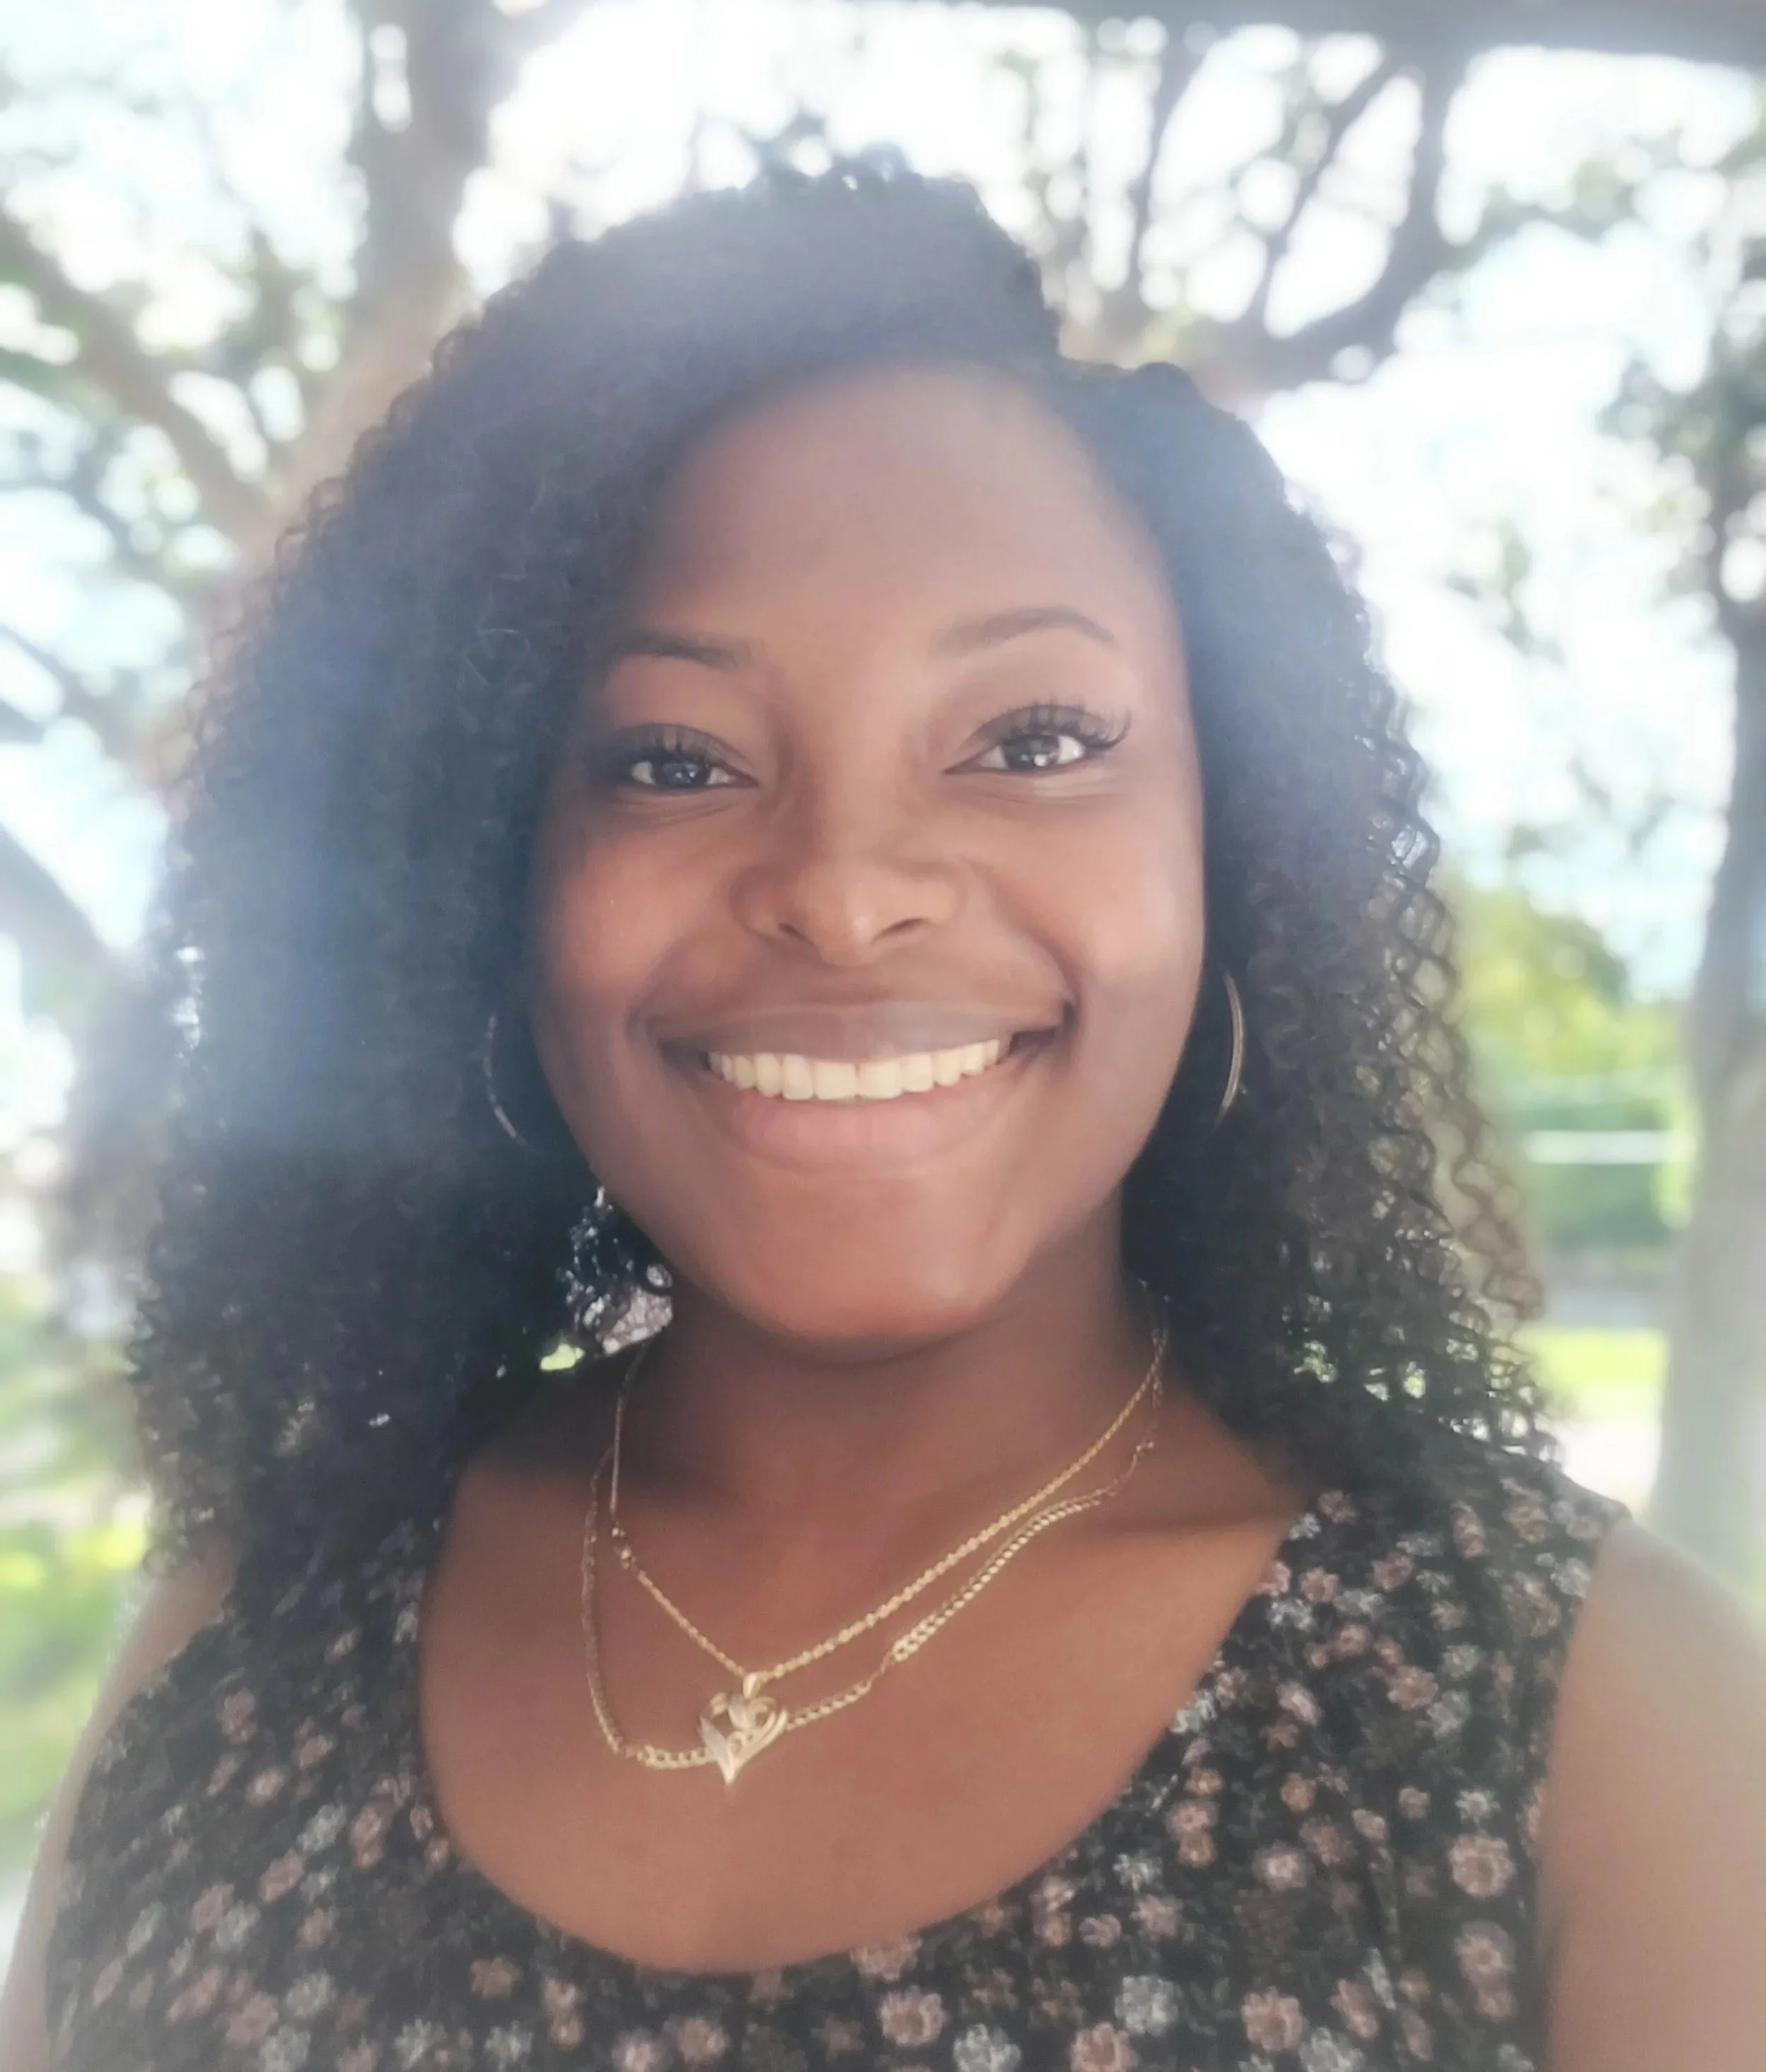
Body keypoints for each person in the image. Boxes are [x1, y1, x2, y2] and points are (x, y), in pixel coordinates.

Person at [3, 162, 1762, 2072]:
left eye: (1033, 741)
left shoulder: (1583, 1719)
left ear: (1235, 853)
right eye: (673, 761)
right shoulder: (253, 1619)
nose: (844, 893)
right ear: (482, 882)